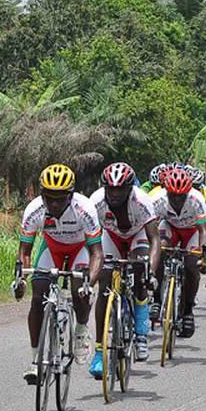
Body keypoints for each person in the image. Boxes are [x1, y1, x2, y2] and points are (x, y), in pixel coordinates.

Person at [16, 164, 103, 384]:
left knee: (78, 291)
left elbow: (97, 254)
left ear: (70, 196)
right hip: (52, 248)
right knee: (37, 298)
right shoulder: (34, 209)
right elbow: (24, 251)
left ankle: (81, 328)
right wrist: (21, 279)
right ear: (42, 195)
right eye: (49, 198)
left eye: (60, 198)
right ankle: (35, 361)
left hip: (79, 249)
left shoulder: (85, 209)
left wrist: (88, 283)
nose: (54, 204)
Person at [89, 163, 161, 375]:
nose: (115, 193)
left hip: (137, 236)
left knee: (140, 273)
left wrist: (151, 273)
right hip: (110, 237)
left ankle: (140, 333)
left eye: (120, 189)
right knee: (104, 284)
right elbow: (88, 237)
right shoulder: (96, 201)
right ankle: (99, 352)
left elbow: (154, 239)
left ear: (130, 188)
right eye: (111, 188)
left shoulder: (142, 201)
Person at [151, 167, 206, 338]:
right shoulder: (157, 199)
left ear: (188, 192)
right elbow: (149, 229)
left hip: (192, 231)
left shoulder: (196, 199)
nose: (176, 200)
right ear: (166, 191)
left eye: (181, 196)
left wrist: (204, 257)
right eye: (172, 196)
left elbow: (204, 231)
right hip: (170, 228)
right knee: (160, 249)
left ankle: (188, 311)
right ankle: (156, 300)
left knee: (192, 266)